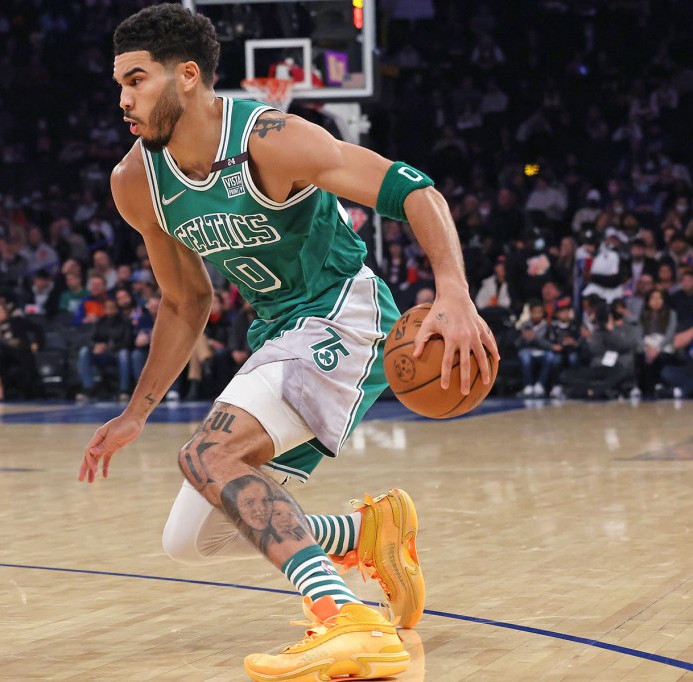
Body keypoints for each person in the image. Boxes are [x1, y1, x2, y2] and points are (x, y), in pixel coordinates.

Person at [78, 6, 498, 678]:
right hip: (277, 331)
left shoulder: (271, 140)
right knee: (190, 538)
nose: (123, 100)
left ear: (187, 76)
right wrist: (136, 412)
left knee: (209, 454)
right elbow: (186, 299)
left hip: (343, 315)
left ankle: (348, 619)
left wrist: (453, 290)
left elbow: (413, 189)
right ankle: (369, 534)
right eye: (119, 84)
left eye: (137, 80)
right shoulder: (137, 183)